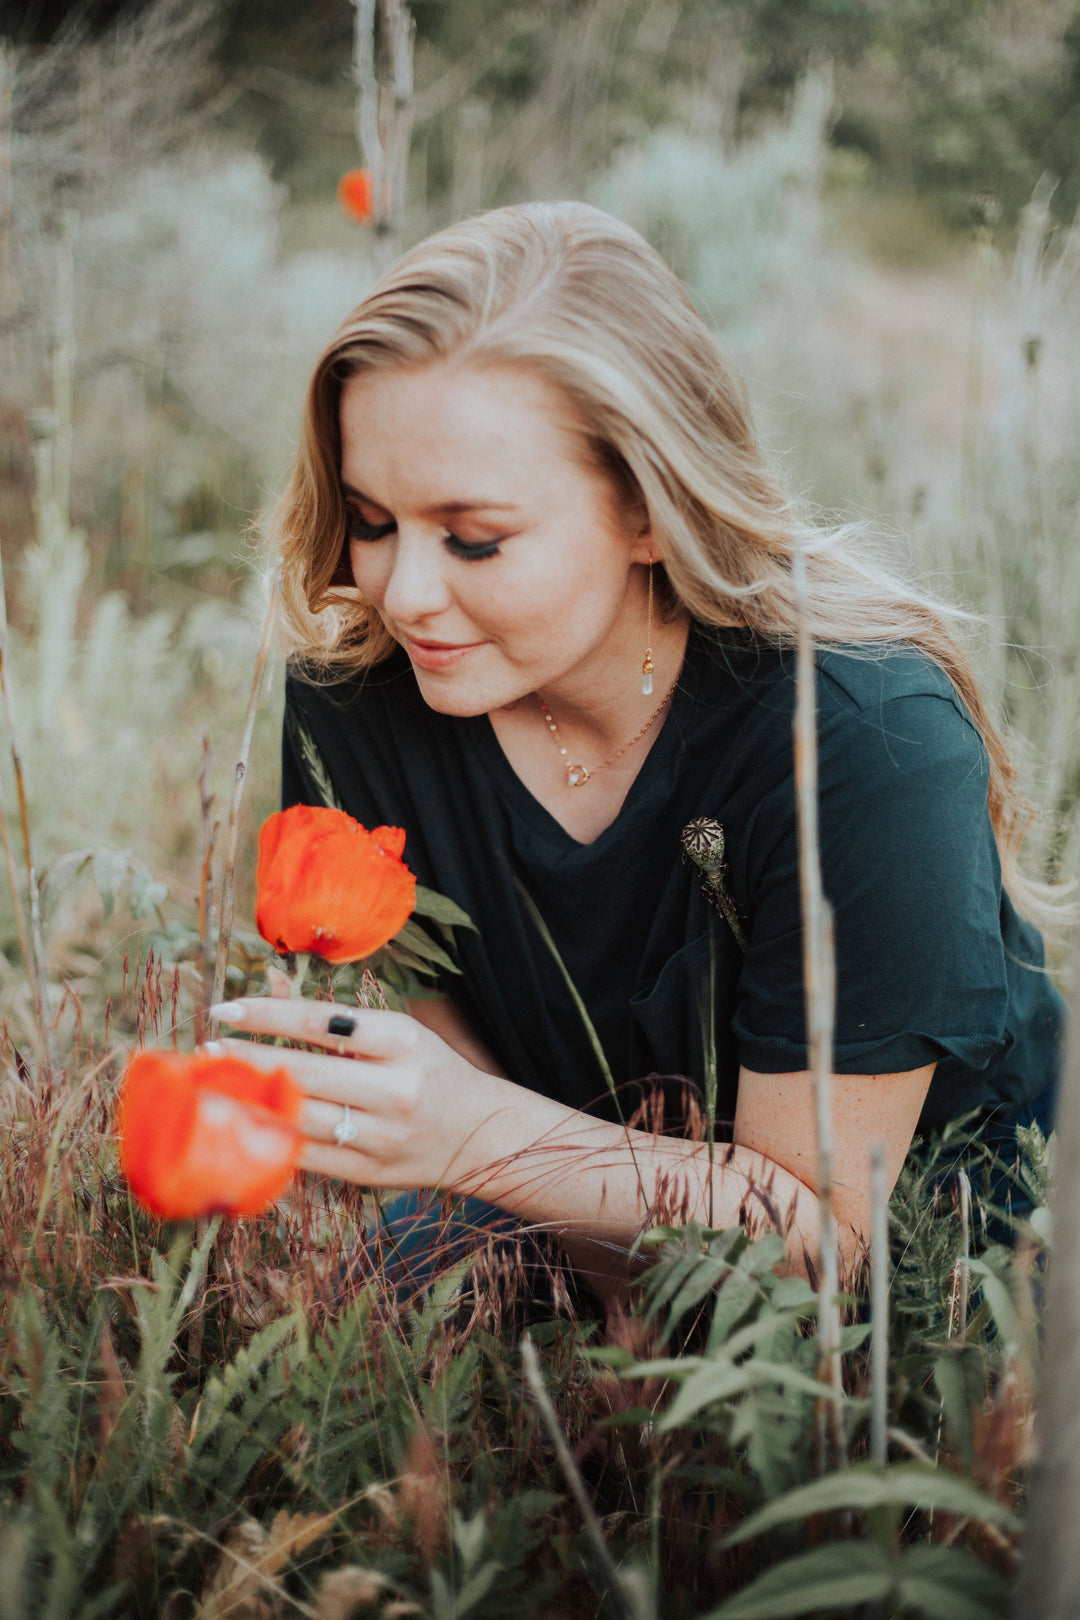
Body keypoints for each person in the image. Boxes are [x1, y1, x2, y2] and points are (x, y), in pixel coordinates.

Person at [210, 201, 1063, 1303]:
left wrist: (472, 1140)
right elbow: (460, 1086)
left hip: (934, 1297)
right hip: (576, 1222)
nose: (405, 592)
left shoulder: (866, 739)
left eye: (477, 538)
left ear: (649, 515)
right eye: (373, 521)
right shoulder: (355, 699)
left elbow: (825, 1240)